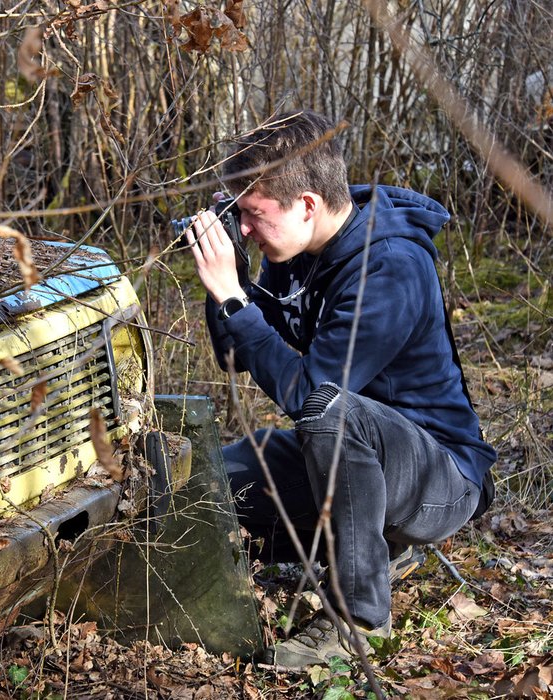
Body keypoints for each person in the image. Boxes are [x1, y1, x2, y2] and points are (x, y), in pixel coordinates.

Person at [184, 110, 496, 669]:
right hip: (347, 458)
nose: (248, 230)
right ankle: (360, 552)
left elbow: (311, 396)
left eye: (254, 216)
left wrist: (237, 300)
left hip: (438, 475)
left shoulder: (391, 265)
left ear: (307, 204)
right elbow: (237, 356)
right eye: (241, 218)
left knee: (332, 412)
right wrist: (223, 284)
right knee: (204, 481)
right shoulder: (298, 251)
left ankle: (359, 618)